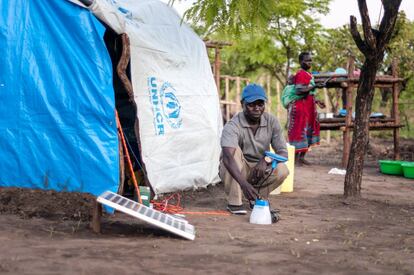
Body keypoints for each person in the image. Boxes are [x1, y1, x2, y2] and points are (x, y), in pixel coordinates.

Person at [219, 83, 289, 217]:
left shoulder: (271, 121)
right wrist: (244, 184)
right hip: (238, 170)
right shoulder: (233, 125)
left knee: (282, 170)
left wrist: (266, 159)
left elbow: (283, 153)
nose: (257, 108)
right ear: (242, 104)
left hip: (259, 171)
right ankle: (234, 202)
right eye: (251, 104)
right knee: (234, 152)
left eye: (260, 104)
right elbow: (227, 157)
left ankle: (256, 198)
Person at [287, 52, 326, 166]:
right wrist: (314, 86)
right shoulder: (300, 74)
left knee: (308, 131)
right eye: (306, 60)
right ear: (300, 62)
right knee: (299, 131)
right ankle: (295, 159)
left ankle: (302, 157)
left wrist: (317, 101)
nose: (309, 63)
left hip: (308, 107)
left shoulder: (308, 74)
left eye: (310, 61)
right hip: (300, 107)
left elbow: (309, 92)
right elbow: (300, 90)